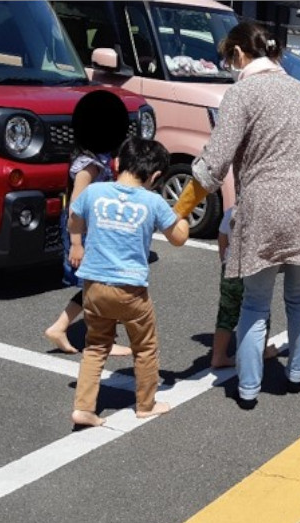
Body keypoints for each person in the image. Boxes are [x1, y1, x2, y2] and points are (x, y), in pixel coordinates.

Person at [177, 22, 300, 406]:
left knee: (255, 303)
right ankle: (297, 374)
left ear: (237, 55)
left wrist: (178, 213)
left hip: (267, 207)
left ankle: (249, 389)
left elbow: (211, 166)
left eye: (226, 58)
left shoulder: (242, 93)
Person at [68, 137, 189, 427]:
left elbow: (74, 216)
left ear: (118, 163)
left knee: (96, 346)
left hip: (94, 285)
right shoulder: (154, 201)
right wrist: (181, 217)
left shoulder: (95, 192)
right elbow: (179, 238)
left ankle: (84, 407)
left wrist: (77, 243)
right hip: (131, 290)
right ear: (156, 176)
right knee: (145, 348)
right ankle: (146, 404)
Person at [44, 91, 131, 356]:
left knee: (98, 286)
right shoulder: (89, 166)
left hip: (94, 230)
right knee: (101, 286)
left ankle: (63, 328)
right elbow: (75, 207)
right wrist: (76, 243)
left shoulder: (96, 160)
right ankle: (99, 339)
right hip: (85, 232)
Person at [210, 206, 277, 369]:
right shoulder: (264, 212)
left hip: (231, 267)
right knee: (260, 310)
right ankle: (261, 350)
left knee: (226, 312)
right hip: (253, 268)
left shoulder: (231, 212)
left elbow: (222, 239)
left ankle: (218, 356)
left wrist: (224, 260)